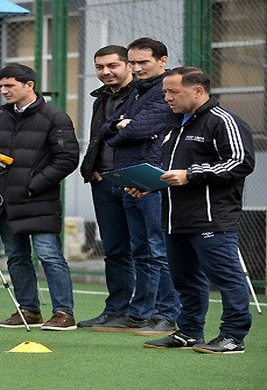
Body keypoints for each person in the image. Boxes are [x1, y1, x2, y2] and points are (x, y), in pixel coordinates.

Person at [140, 67, 254, 353]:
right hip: (174, 217)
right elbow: (170, 171)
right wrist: (149, 183)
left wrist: (191, 174)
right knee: (184, 279)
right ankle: (189, 332)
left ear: (198, 91)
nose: (166, 97)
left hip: (212, 217)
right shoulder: (175, 124)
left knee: (226, 277)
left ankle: (233, 336)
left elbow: (240, 162)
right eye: (165, 91)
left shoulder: (223, 121)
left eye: (173, 92)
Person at [92, 37, 180, 334]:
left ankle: (168, 314)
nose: (137, 67)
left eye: (143, 62)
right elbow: (107, 129)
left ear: (163, 60)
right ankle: (140, 313)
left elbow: (140, 128)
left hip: (152, 179)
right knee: (141, 249)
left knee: (159, 249)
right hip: (130, 177)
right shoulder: (137, 92)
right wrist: (121, 128)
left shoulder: (165, 90)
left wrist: (122, 130)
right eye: (134, 62)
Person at [0, 64, 79, 330]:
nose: (3, 91)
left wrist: (33, 185)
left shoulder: (55, 117)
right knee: (15, 256)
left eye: (9, 85)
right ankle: (28, 310)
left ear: (29, 85)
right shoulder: (2, 117)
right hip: (7, 199)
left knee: (49, 255)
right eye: (1, 86)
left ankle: (63, 313)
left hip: (39, 199)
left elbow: (68, 159)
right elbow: (2, 153)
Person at [77, 46, 136, 328]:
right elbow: (97, 137)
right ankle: (115, 310)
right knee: (114, 250)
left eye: (112, 66)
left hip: (135, 181)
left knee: (147, 250)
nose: (106, 72)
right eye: (100, 67)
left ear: (128, 65)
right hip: (104, 182)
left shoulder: (143, 95)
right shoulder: (100, 98)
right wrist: (94, 167)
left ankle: (147, 312)